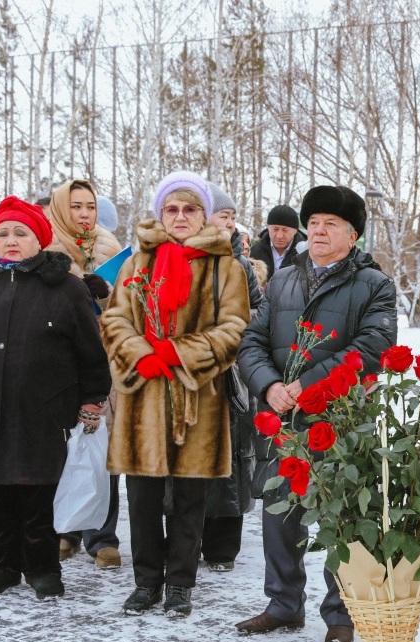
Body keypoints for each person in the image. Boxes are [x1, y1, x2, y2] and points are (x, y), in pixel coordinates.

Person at [237, 185, 397, 642]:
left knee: (340, 518)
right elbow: (252, 340)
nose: (320, 231)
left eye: (332, 224)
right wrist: (269, 385)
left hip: (339, 419)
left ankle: (341, 613)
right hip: (283, 420)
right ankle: (283, 604)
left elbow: (371, 348)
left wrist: (305, 387)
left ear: (353, 235)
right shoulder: (284, 279)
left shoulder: (374, 284)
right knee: (279, 514)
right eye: (315, 223)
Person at [0, 197, 111, 600]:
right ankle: (1, 566)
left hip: (43, 411)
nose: (10, 241)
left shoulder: (66, 288)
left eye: (20, 233)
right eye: (2, 233)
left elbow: (91, 351)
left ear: (39, 239)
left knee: (38, 493)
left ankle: (43, 568)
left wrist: (92, 399)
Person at [101, 172, 252, 619]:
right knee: (142, 498)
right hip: (142, 399)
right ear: (159, 213)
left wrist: (179, 354)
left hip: (198, 399)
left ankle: (181, 583)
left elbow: (234, 328)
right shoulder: (135, 263)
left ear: (204, 215)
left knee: (190, 499)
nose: (181, 217)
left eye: (190, 209)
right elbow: (114, 321)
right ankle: (146, 581)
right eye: (172, 209)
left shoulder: (225, 265)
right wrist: (140, 356)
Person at [44, 179, 125, 569]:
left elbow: (126, 308)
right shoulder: (44, 246)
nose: (84, 214)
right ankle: (65, 529)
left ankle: (102, 535)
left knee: (103, 446)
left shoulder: (110, 247)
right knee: (63, 448)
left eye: (90, 207)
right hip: (60, 361)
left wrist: (106, 292)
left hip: (103, 358)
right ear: (61, 208)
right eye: (75, 206)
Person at [200, 181, 268, 572]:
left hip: (231, 377)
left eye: (232, 216)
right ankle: (186, 541)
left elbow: (258, 311)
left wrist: (236, 327)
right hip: (189, 371)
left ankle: (223, 548)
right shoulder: (179, 257)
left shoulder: (240, 262)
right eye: (222, 214)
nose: (230, 221)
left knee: (232, 460)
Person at [249, 204, 306, 280]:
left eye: (285, 230)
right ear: (268, 227)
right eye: (275, 229)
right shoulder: (255, 252)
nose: (279, 236)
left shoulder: (305, 253)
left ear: (295, 230)